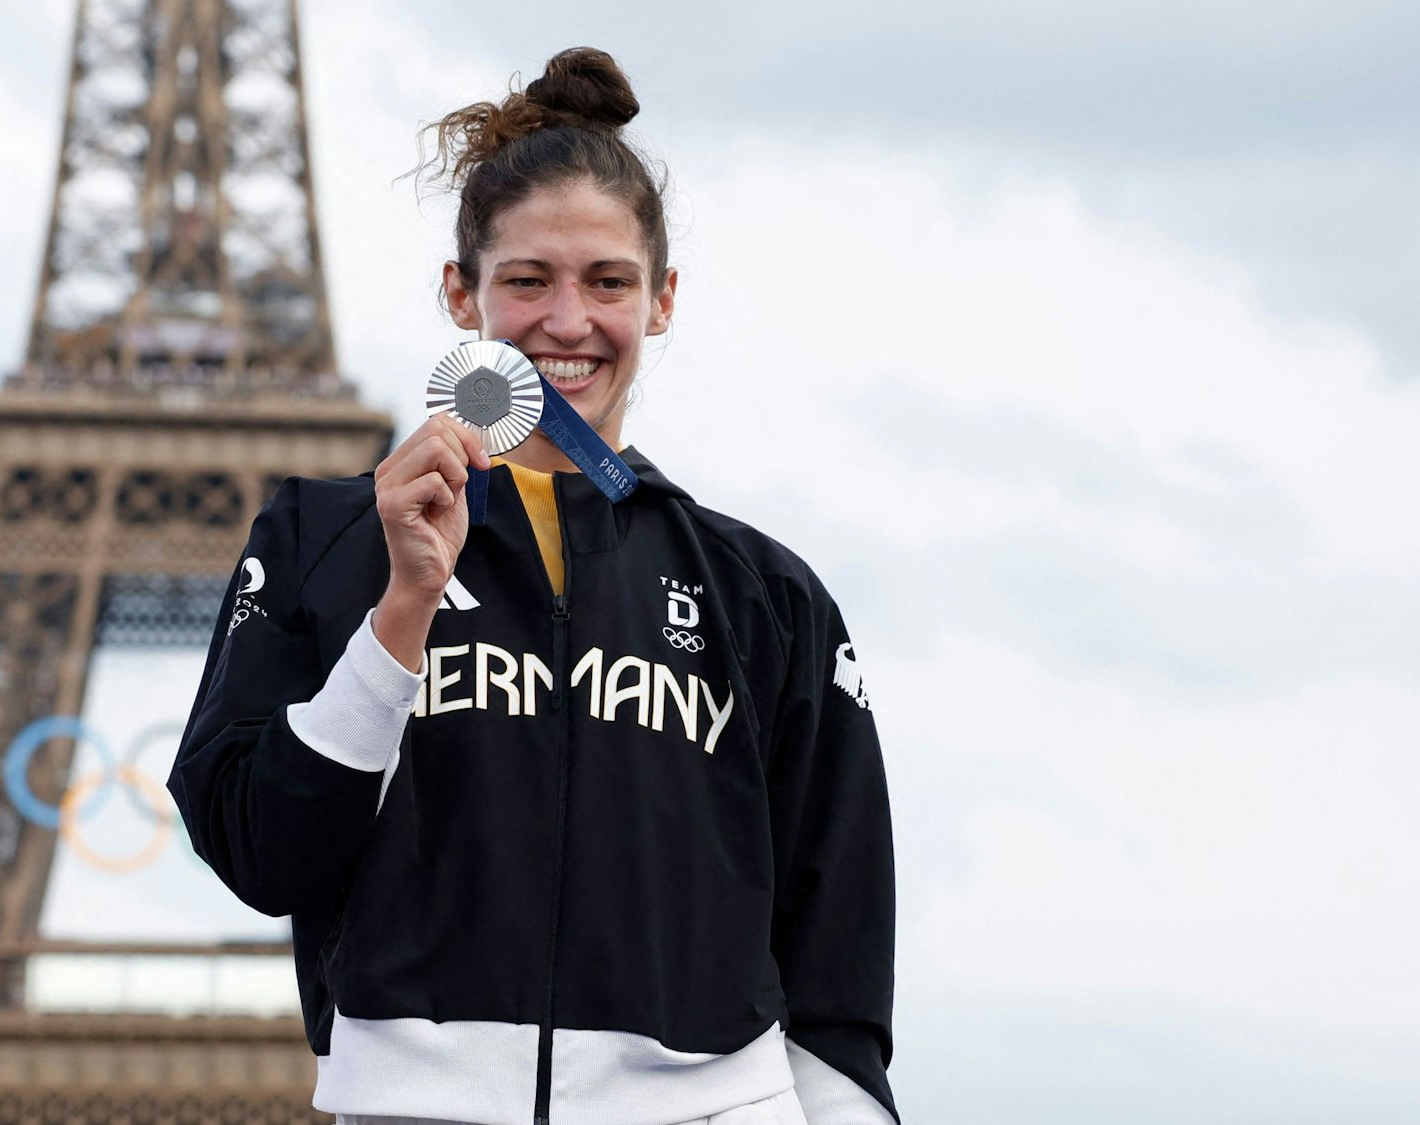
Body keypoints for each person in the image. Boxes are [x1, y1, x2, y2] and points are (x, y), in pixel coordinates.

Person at [170, 47, 898, 1125]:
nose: (566, 323)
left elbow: (836, 943)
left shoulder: (765, 594)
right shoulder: (323, 537)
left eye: (606, 281)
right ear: (460, 293)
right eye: (526, 280)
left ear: (660, 302)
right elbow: (257, 852)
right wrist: (401, 610)